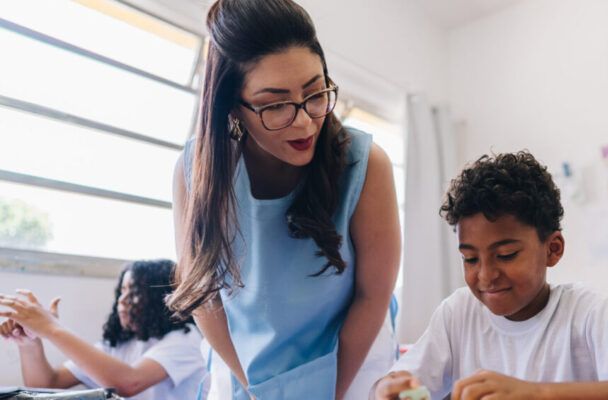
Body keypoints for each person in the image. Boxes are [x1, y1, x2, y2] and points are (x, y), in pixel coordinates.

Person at [166, 1, 401, 399]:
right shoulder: (198, 169)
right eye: (275, 105)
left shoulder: (365, 164)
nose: (306, 121)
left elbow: (372, 294)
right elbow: (203, 292)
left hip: (351, 356)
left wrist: (332, 392)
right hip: (244, 360)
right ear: (232, 105)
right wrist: (254, 388)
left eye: (314, 93)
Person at [372, 152, 608, 400]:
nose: (485, 275)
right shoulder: (458, 313)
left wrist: (538, 394)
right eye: (470, 259)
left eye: (506, 255)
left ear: (553, 249)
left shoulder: (585, 313)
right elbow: (396, 382)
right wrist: (389, 388)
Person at [0, 259, 206, 400]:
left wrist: (51, 328)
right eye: (122, 291)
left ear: (160, 298)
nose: (122, 301)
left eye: (135, 293)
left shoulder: (185, 340)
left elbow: (129, 383)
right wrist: (30, 342)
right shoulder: (118, 344)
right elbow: (45, 384)